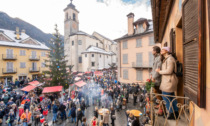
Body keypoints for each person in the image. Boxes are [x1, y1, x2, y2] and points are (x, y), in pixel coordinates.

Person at [156, 47, 179, 120]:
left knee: (166, 97)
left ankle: (171, 113)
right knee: (172, 98)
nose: (161, 51)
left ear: (167, 51)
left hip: (169, 81)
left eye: (163, 49)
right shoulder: (167, 58)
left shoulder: (170, 59)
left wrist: (159, 71)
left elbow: (169, 71)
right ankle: (176, 113)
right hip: (168, 81)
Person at [151, 46, 163, 115]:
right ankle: (160, 105)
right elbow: (154, 68)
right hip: (155, 78)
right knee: (157, 93)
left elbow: (158, 69)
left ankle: (161, 110)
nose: (152, 51)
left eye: (152, 50)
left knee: (158, 94)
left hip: (157, 80)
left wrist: (154, 77)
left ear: (155, 51)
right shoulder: (156, 57)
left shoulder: (158, 58)